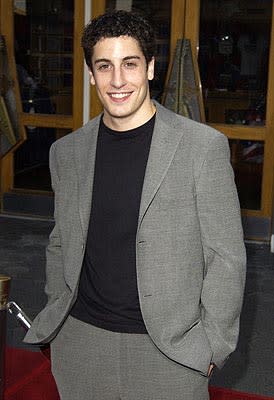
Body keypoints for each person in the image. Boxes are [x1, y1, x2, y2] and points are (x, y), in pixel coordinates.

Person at [24, 10, 246, 400]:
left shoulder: (201, 148)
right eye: (104, 66)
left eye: (130, 63)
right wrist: (58, 315)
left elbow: (226, 256)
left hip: (170, 352)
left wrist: (213, 345)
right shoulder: (67, 152)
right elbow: (60, 241)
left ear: (150, 68)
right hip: (81, 343)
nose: (118, 80)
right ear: (91, 74)